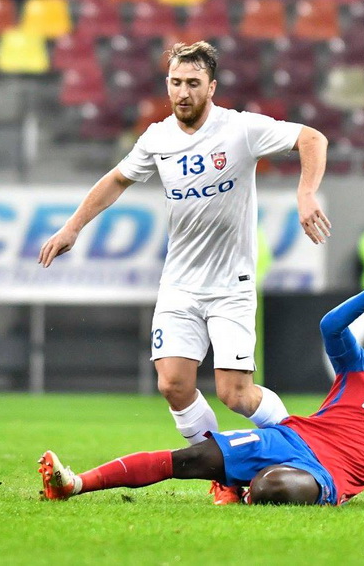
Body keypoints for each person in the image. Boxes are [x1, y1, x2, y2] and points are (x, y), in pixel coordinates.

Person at [37, 41, 332, 504]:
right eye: (176, 82)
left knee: (235, 394)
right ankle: (224, 477)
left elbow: (312, 138)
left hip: (231, 286)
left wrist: (305, 193)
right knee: (173, 385)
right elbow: (117, 179)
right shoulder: (157, 138)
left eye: (193, 83)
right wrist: (73, 227)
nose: (183, 92)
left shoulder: (240, 129)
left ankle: (305, 449)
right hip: (179, 285)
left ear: (211, 87)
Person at [38, 267, 364, 517]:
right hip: (287, 440)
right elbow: (332, 325)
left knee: (275, 490)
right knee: (189, 458)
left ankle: (241, 487)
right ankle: (75, 483)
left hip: (321, 477)